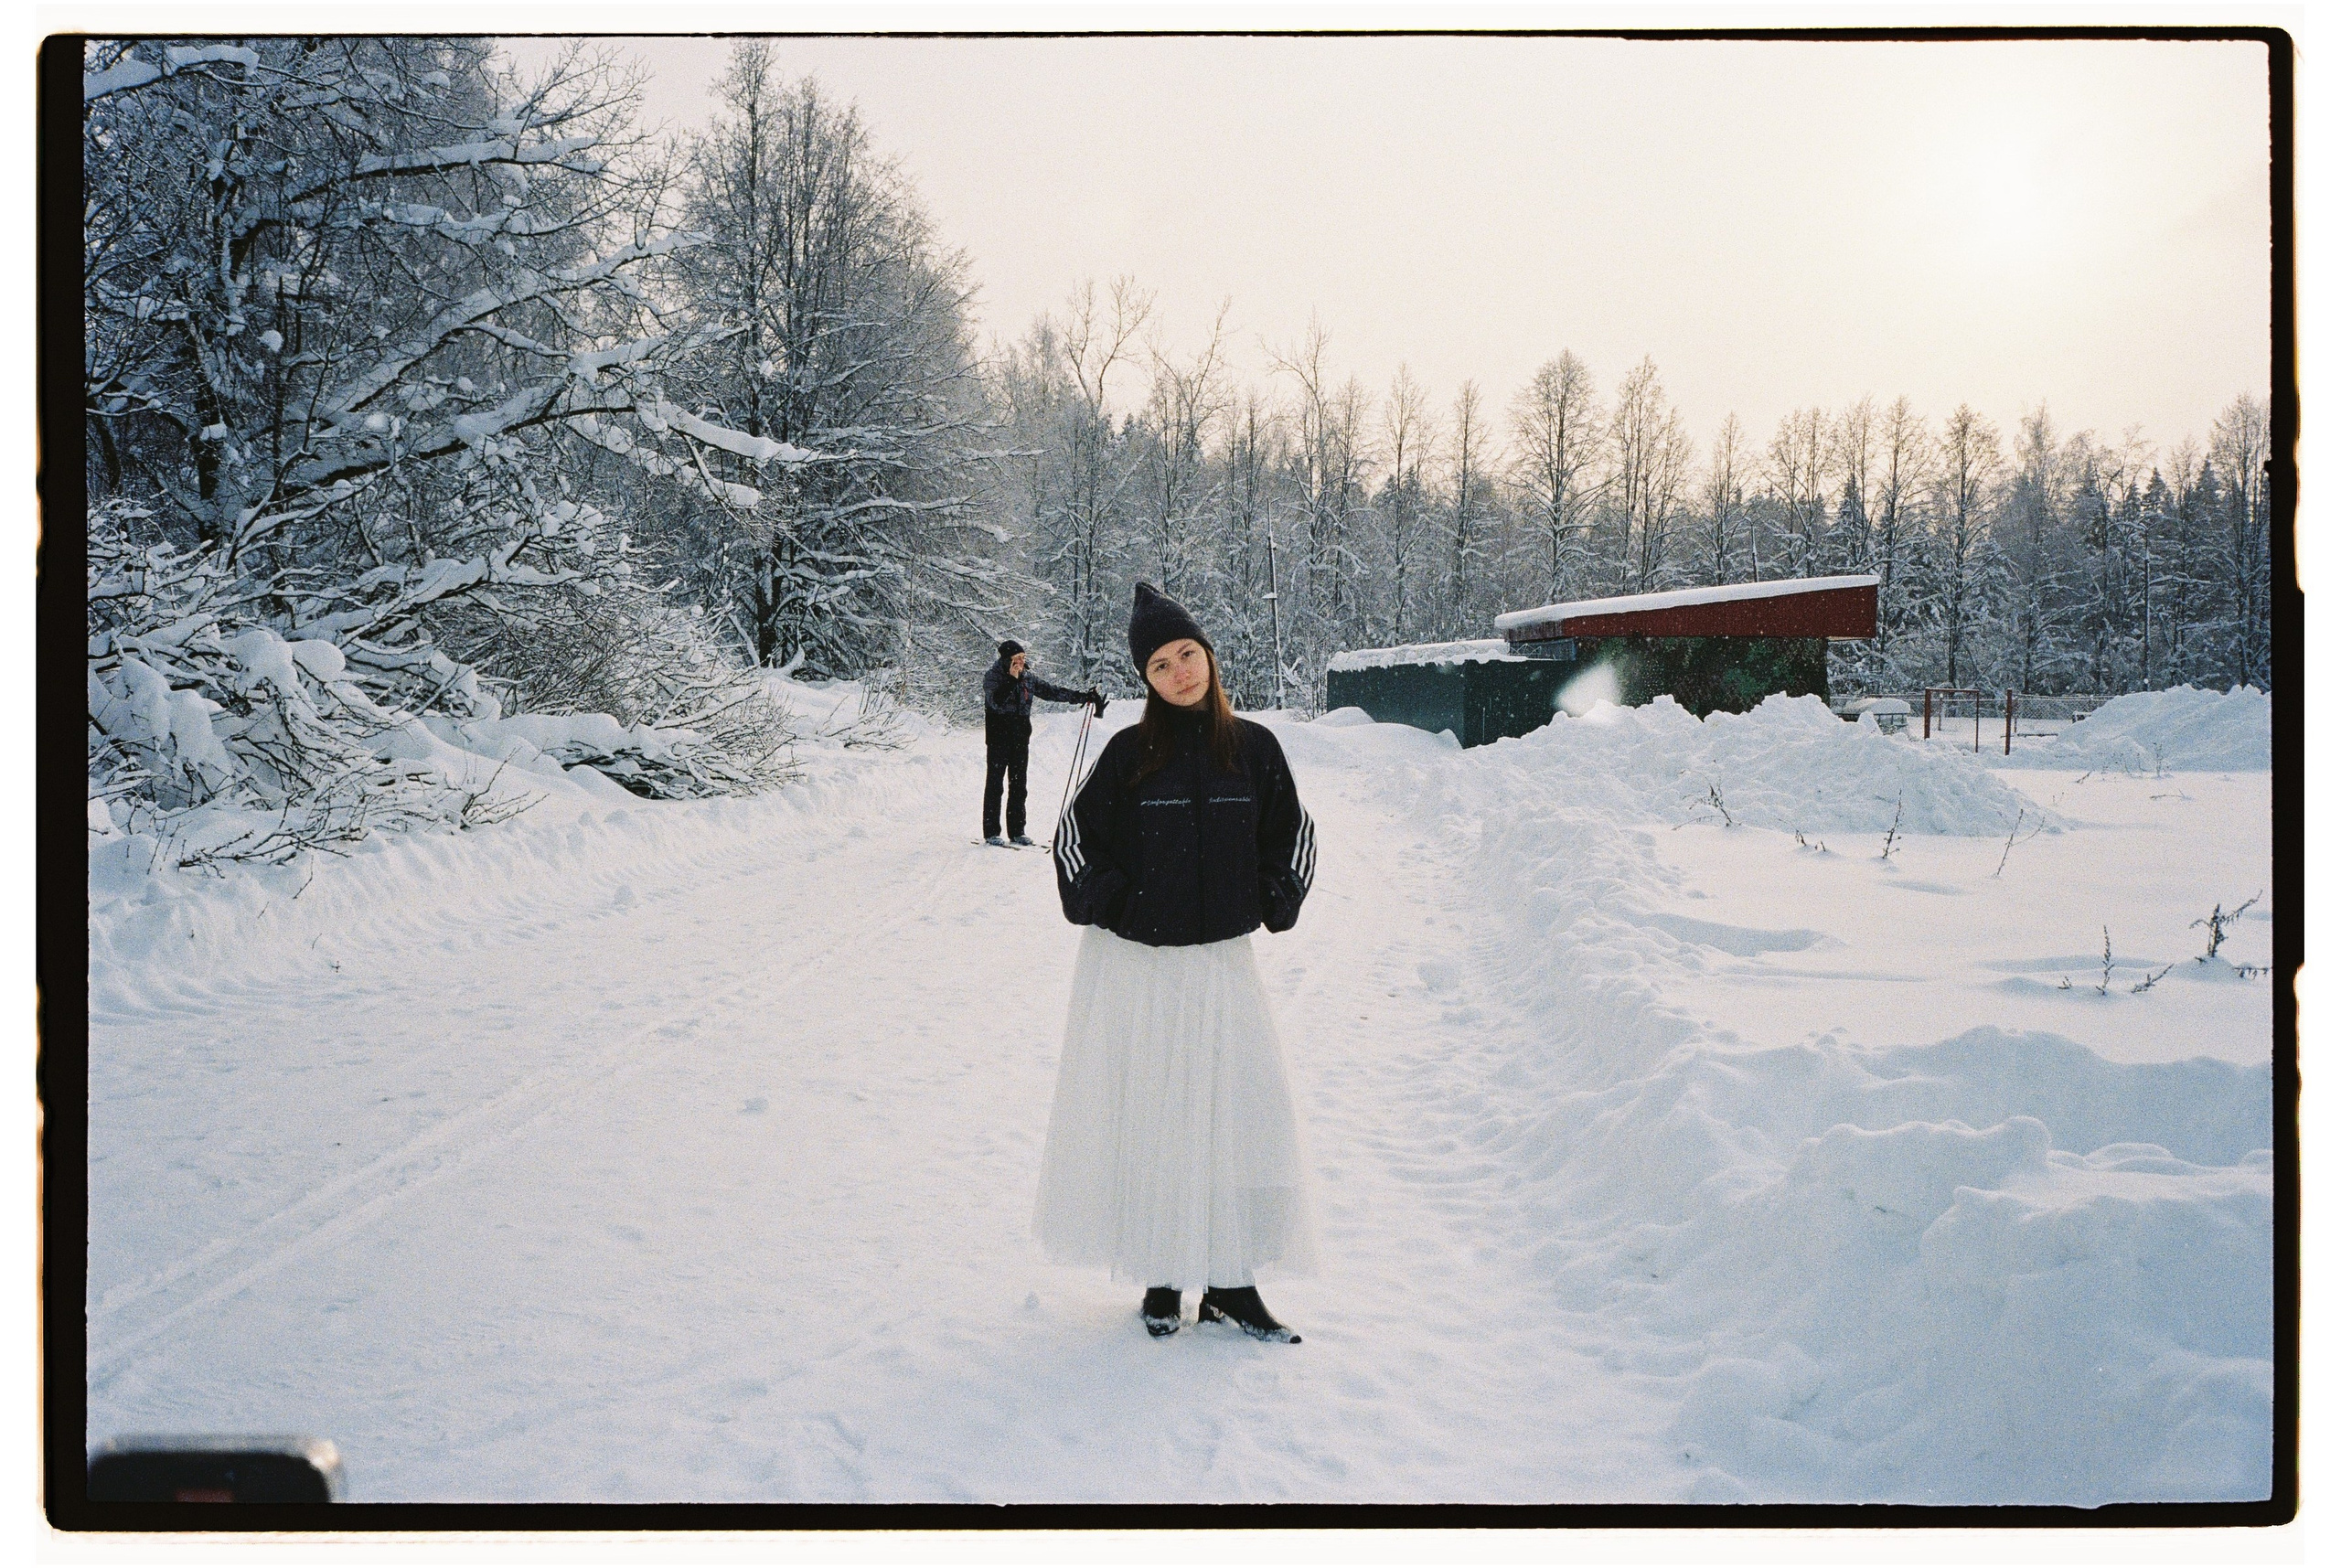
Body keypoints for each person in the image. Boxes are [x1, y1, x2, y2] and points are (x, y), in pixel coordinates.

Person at [1034, 581, 1320, 1343]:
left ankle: (1230, 1284)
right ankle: (1164, 1273)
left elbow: (1294, 834)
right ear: (1147, 679)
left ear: (1209, 656)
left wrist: (1276, 893)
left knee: (1233, 1117)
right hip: (1142, 970)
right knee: (1158, 1117)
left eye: (1187, 654)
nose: (1179, 672)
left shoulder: (1254, 748)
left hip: (1220, 966)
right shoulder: (1130, 753)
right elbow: (1071, 841)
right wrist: (1108, 900)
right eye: (1160, 665)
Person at [981, 641, 1104, 847]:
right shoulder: (993, 677)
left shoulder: (1028, 678)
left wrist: (1083, 697)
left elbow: (1052, 692)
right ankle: (992, 832)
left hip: (1020, 738)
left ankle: (1017, 831)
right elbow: (996, 701)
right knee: (995, 785)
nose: (1021, 662)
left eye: (1023, 657)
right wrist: (1012, 680)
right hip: (998, 739)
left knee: (1019, 785)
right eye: (1017, 658)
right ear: (1006, 660)